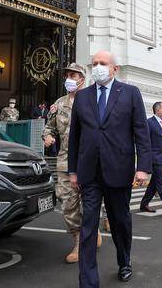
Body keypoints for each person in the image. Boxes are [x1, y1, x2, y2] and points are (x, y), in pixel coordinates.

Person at [68, 50, 152, 287]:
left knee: (120, 222)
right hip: (89, 172)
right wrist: (73, 170)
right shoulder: (82, 97)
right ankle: (87, 281)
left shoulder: (130, 93)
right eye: (94, 63)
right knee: (88, 225)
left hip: (119, 170)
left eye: (102, 63)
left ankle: (124, 260)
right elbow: (75, 137)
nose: (97, 67)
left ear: (115, 68)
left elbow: (141, 133)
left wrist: (143, 167)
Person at [43, 63, 102, 264]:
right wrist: (47, 137)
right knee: (68, 203)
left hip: (89, 160)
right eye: (67, 74)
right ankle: (78, 240)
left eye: (73, 75)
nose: (69, 78)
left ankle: (92, 232)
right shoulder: (59, 104)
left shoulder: (94, 101)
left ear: (82, 79)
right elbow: (49, 127)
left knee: (90, 201)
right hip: (65, 161)